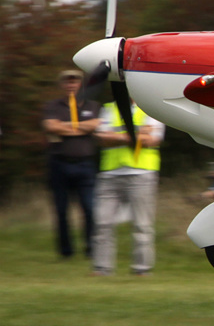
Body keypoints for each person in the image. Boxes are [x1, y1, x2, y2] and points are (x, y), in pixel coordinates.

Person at [91, 99, 164, 276]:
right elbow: (100, 137)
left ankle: (142, 268)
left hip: (141, 172)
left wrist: (115, 136)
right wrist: (133, 136)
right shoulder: (109, 108)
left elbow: (153, 140)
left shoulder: (151, 108)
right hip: (110, 173)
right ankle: (102, 268)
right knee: (102, 223)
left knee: (142, 224)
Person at [41, 69, 100, 260]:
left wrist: (65, 127)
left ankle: (91, 248)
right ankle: (66, 251)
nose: (71, 85)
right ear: (62, 85)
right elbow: (51, 127)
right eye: (67, 82)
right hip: (59, 164)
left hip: (85, 164)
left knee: (89, 208)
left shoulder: (93, 105)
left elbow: (96, 125)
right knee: (61, 210)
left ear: (80, 84)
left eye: (74, 82)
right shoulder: (53, 106)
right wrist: (82, 127)